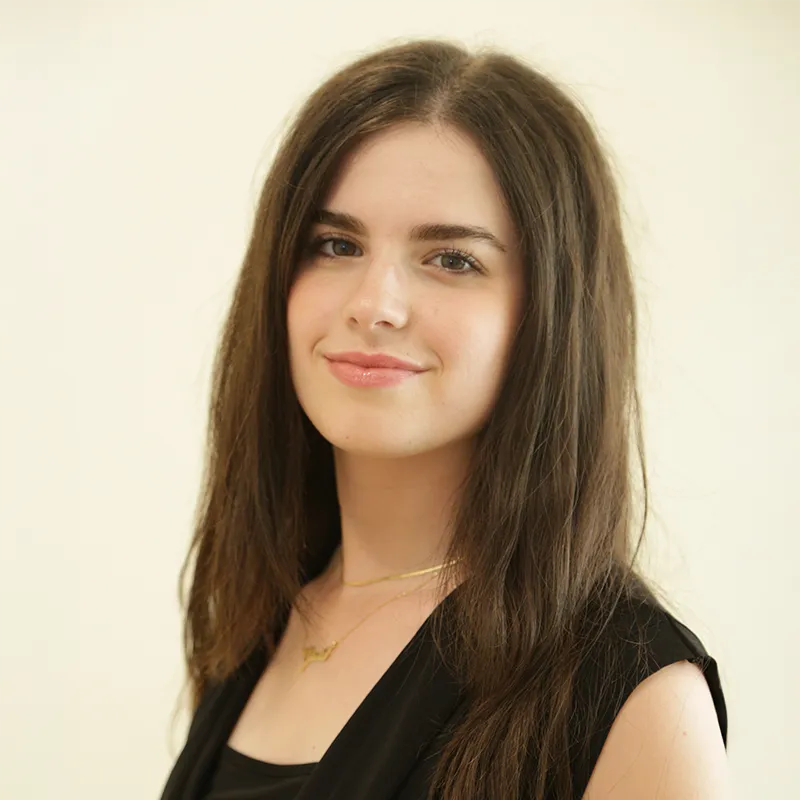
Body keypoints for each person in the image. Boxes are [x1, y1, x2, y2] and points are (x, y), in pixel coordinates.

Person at [159, 37, 730, 800]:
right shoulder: (260, 617)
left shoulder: (630, 694)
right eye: (335, 244)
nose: (374, 304)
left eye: (452, 259)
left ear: (550, 317)